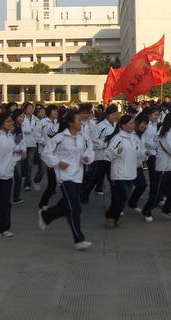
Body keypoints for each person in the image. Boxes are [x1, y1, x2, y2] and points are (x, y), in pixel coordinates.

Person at [38, 109, 94, 251]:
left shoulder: (84, 137)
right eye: (78, 120)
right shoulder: (60, 137)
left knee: (68, 204)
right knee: (75, 207)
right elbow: (46, 153)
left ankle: (46, 215)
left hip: (78, 175)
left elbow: (89, 150)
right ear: (70, 123)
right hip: (64, 175)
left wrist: (87, 157)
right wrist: (57, 162)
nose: (81, 122)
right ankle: (79, 239)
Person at [141, 110, 171, 222]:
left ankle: (167, 209)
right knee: (158, 195)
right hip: (163, 169)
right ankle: (147, 210)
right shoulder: (165, 134)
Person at [104, 114, 141, 229]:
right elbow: (108, 155)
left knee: (122, 198)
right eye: (130, 123)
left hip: (130, 172)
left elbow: (137, 153)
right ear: (122, 125)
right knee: (122, 197)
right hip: (119, 173)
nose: (132, 125)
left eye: (133, 123)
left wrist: (144, 154)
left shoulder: (134, 137)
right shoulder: (117, 138)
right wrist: (116, 152)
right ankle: (111, 216)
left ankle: (113, 217)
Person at [81, 104, 118, 202]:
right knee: (109, 180)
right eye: (113, 114)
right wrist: (104, 145)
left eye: (116, 114)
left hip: (111, 156)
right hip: (101, 157)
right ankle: (115, 201)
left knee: (97, 178)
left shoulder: (115, 125)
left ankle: (85, 194)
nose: (115, 116)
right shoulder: (100, 126)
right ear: (108, 115)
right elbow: (93, 140)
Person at [38, 105, 61, 211]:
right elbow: (36, 135)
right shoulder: (43, 122)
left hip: (57, 154)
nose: (55, 112)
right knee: (52, 182)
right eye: (53, 110)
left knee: (55, 182)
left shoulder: (58, 123)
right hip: (47, 153)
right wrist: (45, 143)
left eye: (56, 110)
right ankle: (43, 203)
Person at [127, 112, 151, 211]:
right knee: (123, 190)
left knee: (142, 185)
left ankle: (132, 203)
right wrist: (144, 152)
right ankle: (115, 210)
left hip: (137, 165)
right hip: (127, 166)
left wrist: (146, 155)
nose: (144, 126)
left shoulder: (143, 135)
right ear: (137, 122)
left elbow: (143, 148)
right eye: (143, 124)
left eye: (146, 124)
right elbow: (133, 151)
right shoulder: (130, 135)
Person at [11, 109, 28, 205]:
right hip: (9, 157)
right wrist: (18, 150)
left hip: (17, 157)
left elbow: (23, 141)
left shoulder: (21, 127)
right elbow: (8, 142)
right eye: (20, 117)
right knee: (10, 177)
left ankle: (16, 197)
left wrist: (24, 150)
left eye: (23, 117)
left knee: (18, 177)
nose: (22, 119)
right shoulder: (11, 127)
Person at [20, 102, 39, 192]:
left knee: (29, 165)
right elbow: (22, 130)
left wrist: (33, 130)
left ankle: (27, 183)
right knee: (22, 163)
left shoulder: (35, 118)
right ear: (25, 109)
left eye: (32, 108)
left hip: (32, 143)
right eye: (29, 108)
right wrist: (30, 130)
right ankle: (21, 177)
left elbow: (38, 129)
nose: (31, 110)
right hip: (23, 143)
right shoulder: (22, 118)